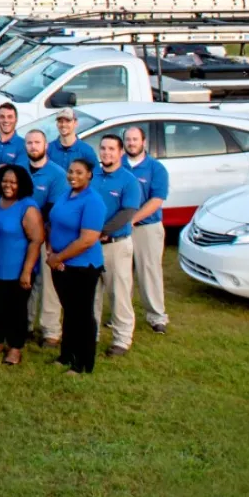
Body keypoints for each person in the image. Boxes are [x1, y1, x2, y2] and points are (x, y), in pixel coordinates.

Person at [46, 157, 108, 375]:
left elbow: (88, 239)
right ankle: (67, 355)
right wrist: (51, 253)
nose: (73, 176)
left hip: (82, 266)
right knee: (70, 312)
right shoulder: (66, 194)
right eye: (71, 171)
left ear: (90, 174)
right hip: (61, 264)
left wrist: (59, 257)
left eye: (79, 172)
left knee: (82, 315)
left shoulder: (93, 201)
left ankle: (83, 363)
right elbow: (53, 223)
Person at [0, 164, 45, 367]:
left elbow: (36, 240)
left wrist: (27, 271)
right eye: (5, 181)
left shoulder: (28, 207)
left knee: (16, 310)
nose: (8, 185)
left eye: (13, 182)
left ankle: (15, 348)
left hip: (18, 269)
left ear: (22, 184)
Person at [92, 133, 144, 358]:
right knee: (91, 294)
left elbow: (128, 213)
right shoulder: (93, 176)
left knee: (118, 292)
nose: (106, 153)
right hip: (91, 246)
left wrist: (102, 231)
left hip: (116, 244)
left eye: (111, 149)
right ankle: (89, 335)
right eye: (103, 148)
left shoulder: (128, 180)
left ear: (120, 152)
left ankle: (122, 339)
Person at [122, 125, 171, 336]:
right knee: (122, 275)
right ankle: (122, 315)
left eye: (135, 139)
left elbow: (156, 200)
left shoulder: (156, 168)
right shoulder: (117, 164)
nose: (131, 143)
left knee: (149, 272)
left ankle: (156, 316)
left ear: (143, 142)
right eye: (128, 139)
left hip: (147, 227)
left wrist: (131, 219)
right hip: (121, 228)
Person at [23, 130, 68, 347]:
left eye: (37, 142)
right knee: (25, 281)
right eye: (29, 143)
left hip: (47, 234)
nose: (33, 146)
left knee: (48, 283)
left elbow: (53, 209)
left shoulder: (57, 174)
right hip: (21, 236)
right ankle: (26, 325)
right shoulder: (20, 169)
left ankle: (50, 330)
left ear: (46, 145)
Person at [0, 103, 28, 168]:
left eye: (10, 117)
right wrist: (8, 166)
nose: (6, 120)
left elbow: (18, 171)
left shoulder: (23, 145)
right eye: (2, 117)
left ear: (16, 119)